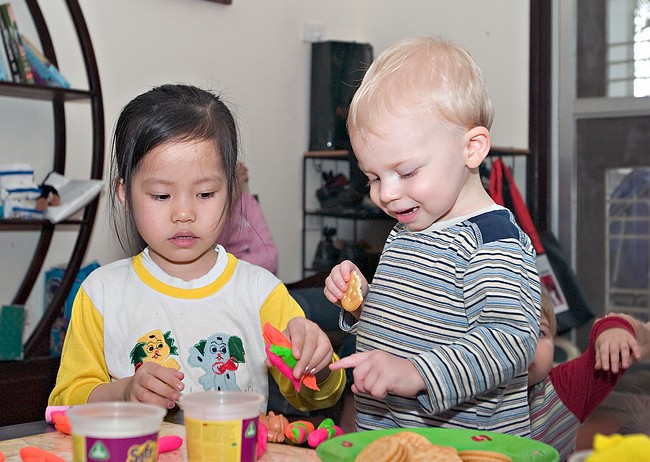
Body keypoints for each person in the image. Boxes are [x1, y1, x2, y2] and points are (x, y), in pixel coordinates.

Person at [49, 84, 345, 413]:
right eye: (161, 196)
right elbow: (66, 400)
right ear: (124, 194)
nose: (184, 214)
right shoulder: (102, 293)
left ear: (231, 189)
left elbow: (316, 396)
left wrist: (315, 361)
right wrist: (125, 392)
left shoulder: (261, 292)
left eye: (204, 194)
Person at [324, 36, 541, 436]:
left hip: (464, 444)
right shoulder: (411, 227)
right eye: (373, 177)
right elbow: (411, 320)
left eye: (406, 173)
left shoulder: (492, 242)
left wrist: (418, 373)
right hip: (396, 435)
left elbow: (510, 342)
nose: (385, 194)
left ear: (471, 148)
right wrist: (361, 303)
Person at [529, 289, 650, 461]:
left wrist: (613, 331)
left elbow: (604, 351)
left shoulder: (563, 388)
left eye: (540, 333)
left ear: (554, 345)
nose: (526, 342)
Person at [216, 162, 278, 274]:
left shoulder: (248, 203)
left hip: (246, 279)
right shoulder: (205, 207)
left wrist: (233, 267)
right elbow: (211, 255)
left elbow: (270, 258)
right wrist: (230, 201)